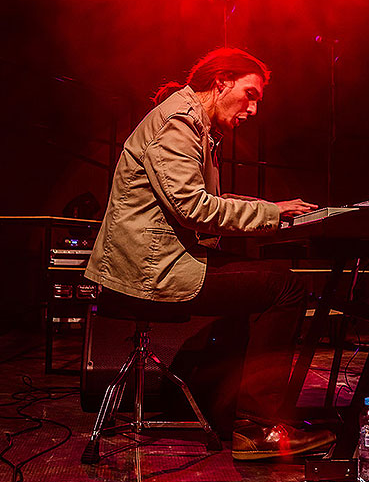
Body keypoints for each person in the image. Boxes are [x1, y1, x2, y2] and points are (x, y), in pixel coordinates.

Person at [85, 47, 334, 460]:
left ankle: (220, 410)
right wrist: (269, 213)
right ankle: (256, 427)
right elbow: (193, 209)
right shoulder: (178, 124)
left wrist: (274, 208)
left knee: (262, 280)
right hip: (151, 272)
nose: (254, 109)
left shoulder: (191, 124)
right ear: (222, 82)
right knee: (285, 286)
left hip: (157, 260)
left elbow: (201, 199)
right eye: (251, 94)